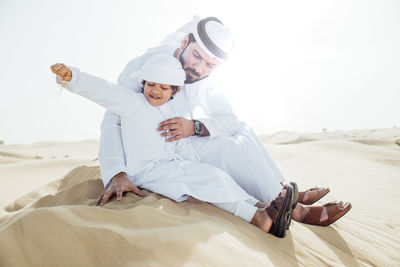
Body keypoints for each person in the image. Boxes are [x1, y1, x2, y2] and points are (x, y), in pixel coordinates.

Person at [96, 16, 351, 227]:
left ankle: (282, 189)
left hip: (183, 142)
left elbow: (228, 119)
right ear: (185, 41)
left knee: (242, 130)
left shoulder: (206, 77)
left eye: (210, 65)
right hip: (154, 154)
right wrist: (116, 173)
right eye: (196, 56)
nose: (200, 68)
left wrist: (194, 126)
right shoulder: (144, 65)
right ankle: (297, 211)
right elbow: (113, 120)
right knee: (230, 148)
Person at [50, 54, 297, 238]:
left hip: (174, 165)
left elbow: (180, 146)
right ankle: (260, 219)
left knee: (215, 175)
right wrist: (73, 77)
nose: (155, 90)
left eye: (163, 87)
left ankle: (260, 206)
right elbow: (103, 90)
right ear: (143, 83)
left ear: (175, 90)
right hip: (146, 171)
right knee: (206, 183)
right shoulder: (131, 103)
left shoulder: (174, 109)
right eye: (150, 84)